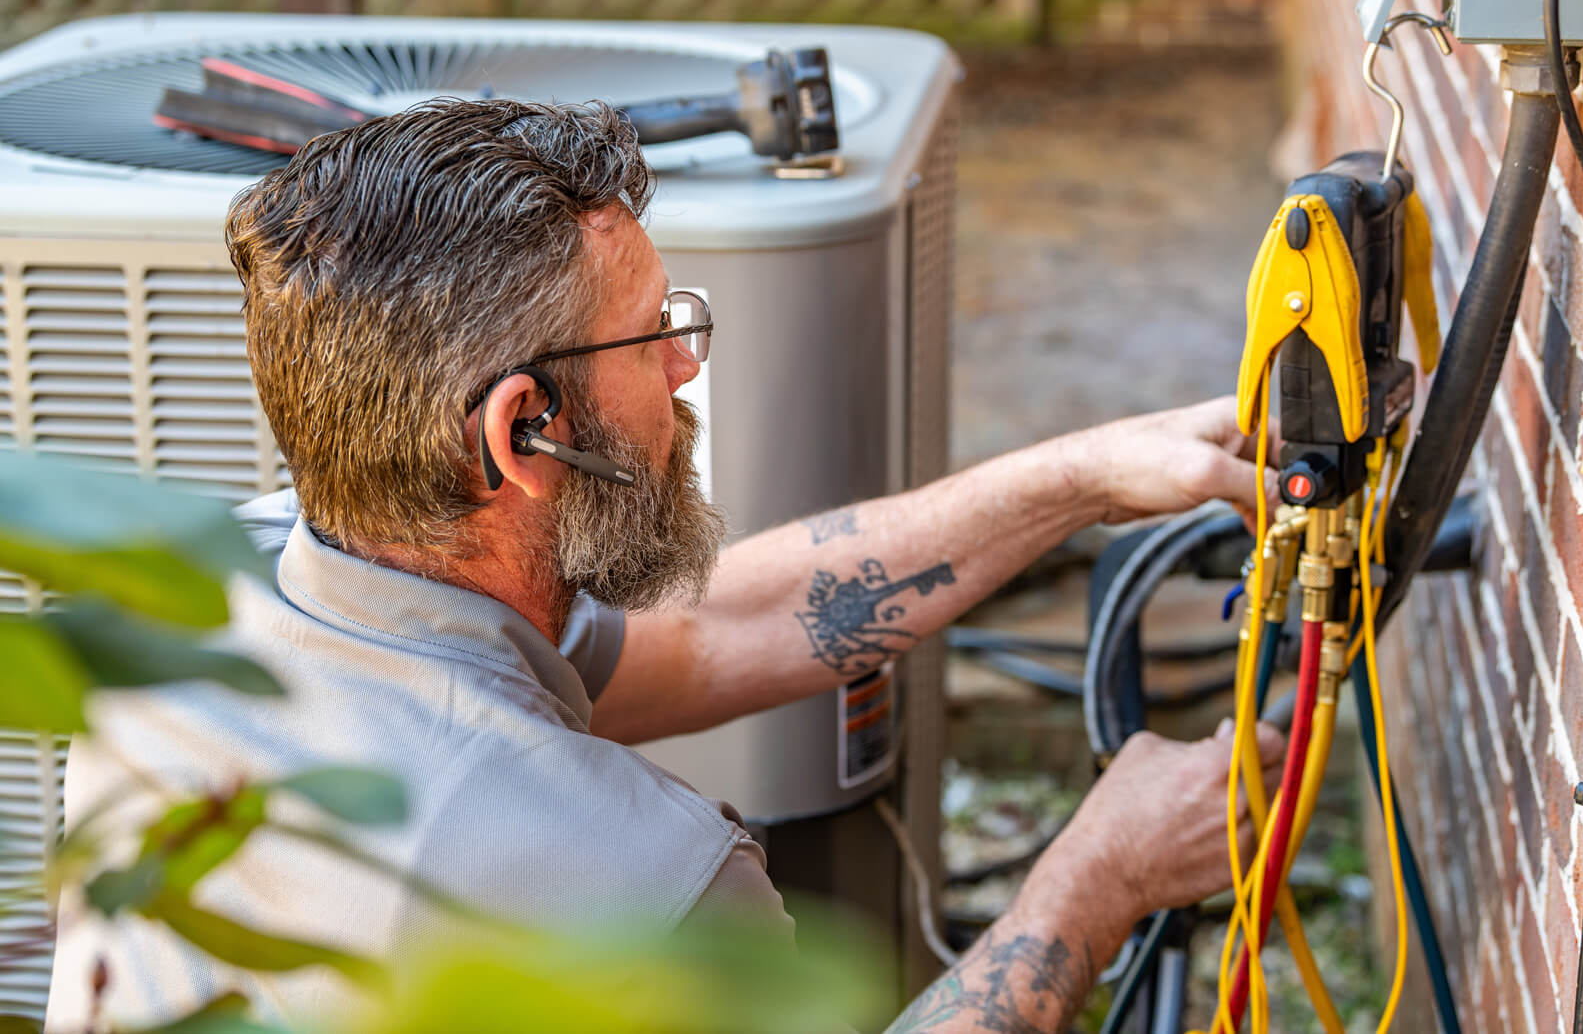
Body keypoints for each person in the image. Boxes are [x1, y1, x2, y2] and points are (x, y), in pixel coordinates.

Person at [47, 99, 1285, 1034]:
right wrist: (1091, 881)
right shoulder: (637, 878)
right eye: (655, 333)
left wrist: (1082, 475)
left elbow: (714, 632)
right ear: (522, 429)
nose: (686, 368)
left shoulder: (193, 592)